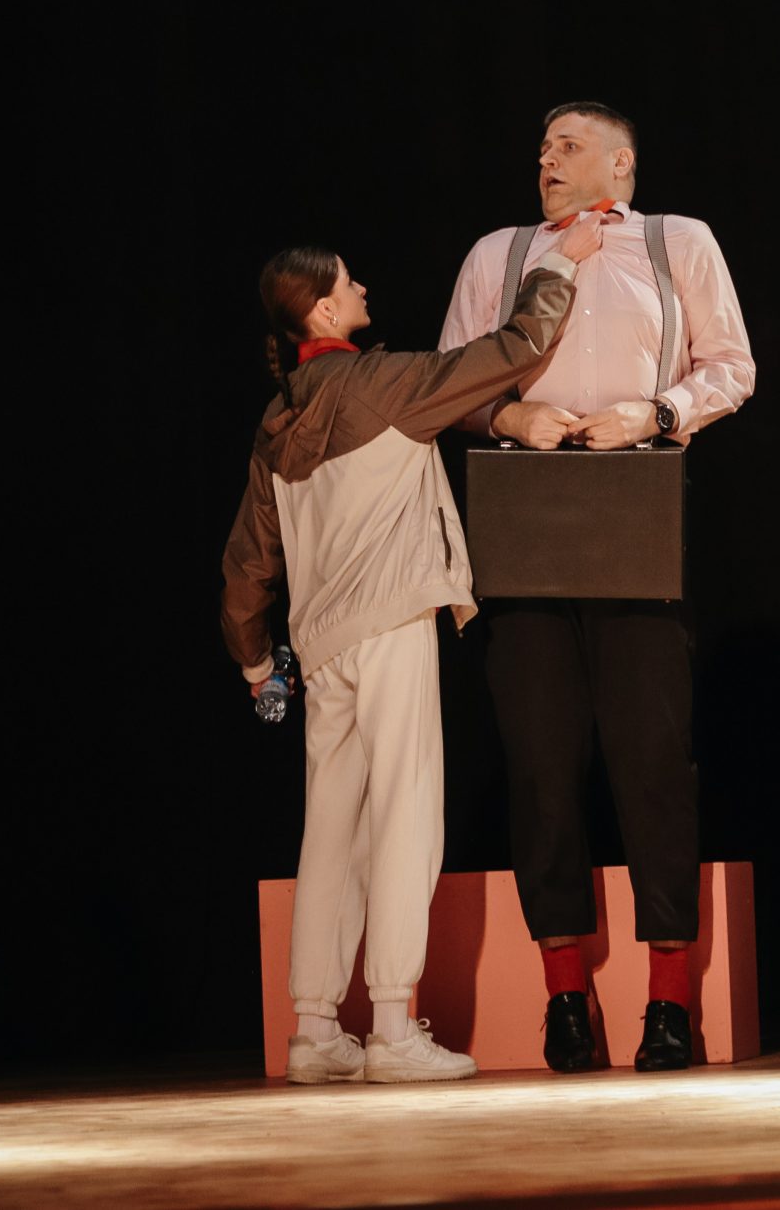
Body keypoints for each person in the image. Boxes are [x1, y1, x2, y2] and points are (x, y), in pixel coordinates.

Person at [222, 212, 606, 1085]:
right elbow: (512, 351)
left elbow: (246, 565)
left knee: (329, 832)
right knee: (406, 816)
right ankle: (392, 1027)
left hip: (322, 648)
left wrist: (257, 664)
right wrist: (558, 265)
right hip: (390, 624)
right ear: (323, 312)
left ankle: (315, 1030)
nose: (363, 287)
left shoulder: (277, 420)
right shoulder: (383, 382)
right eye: (347, 280)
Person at [436, 100, 756, 1073]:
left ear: (621, 164)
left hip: (632, 505)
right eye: (541, 148)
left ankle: (669, 1003)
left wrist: (656, 412)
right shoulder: (497, 253)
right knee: (539, 764)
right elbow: (451, 384)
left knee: (651, 761)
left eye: (567, 146)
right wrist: (507, 418)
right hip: (526, 514)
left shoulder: (675, 241)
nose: (546, 159)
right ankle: (565, 998)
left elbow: (731, 366)